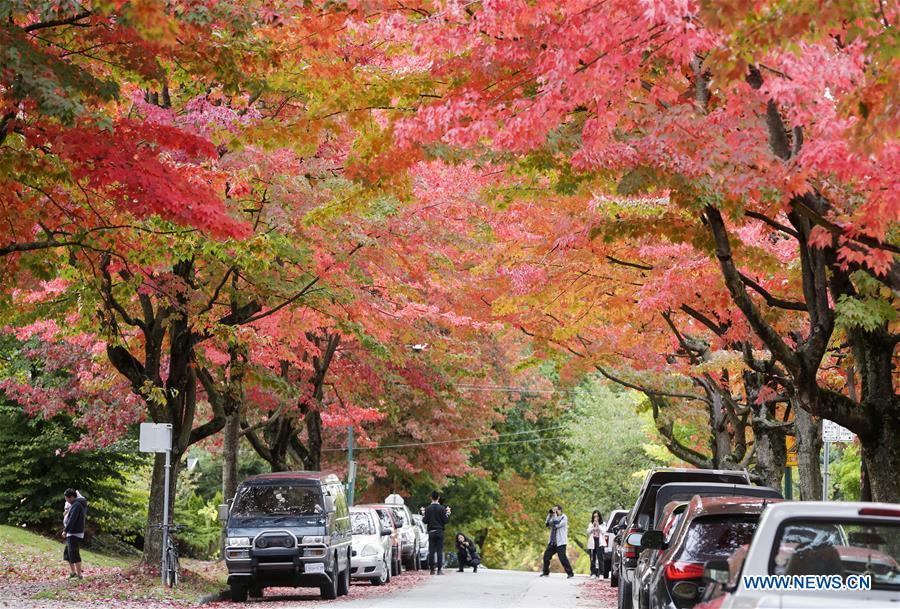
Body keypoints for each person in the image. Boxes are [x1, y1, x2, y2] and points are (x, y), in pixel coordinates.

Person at [540, 504, 574, 578]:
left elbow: (557, 524)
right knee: (546, 557)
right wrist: (549, 514)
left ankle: (570, 573)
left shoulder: (564, 518)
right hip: (552, 542)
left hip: (560, 542)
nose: (555, 511)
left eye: (556, 510)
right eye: (554, 510)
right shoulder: (553, 517)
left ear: (560, 510)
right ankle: (545, 572)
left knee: (562, 558)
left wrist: (554, 515)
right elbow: (547, 524)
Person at [422, 490, 450, 575]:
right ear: (438, 498)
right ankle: (439, 570)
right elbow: (445, 521)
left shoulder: (427, 508)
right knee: (439, 551)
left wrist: (423, 514)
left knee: (431, 551)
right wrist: (448, 513)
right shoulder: (442, 508)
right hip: (440, 531)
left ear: (431, 498)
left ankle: (432, 570)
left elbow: (425, 521)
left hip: (431, 531)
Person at [62, 489, 87, 579]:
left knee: (74, 553)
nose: (66, 500)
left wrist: (66, 530)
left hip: (74, 532)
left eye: (67, 498)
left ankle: (79, 575)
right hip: (71, 532)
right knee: (68, 554)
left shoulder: (77, 504)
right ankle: (73, 573)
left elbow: (73, 519)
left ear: (72, 497)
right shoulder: (74, 504)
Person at [586, 510, 606, 578]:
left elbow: (604, 532)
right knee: (592, 558)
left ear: (599, 517)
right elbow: (588, 532)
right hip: (592, 542)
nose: (596, 518)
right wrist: (593, 527)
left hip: (600, 542)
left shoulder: (603, 524)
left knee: (600, 558)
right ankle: (593, 573)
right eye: (594, 516)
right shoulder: (591, 524)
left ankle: (601, 574)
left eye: (597, 516)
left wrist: (598, 526)